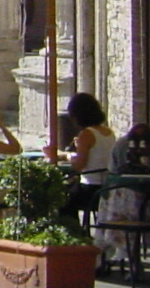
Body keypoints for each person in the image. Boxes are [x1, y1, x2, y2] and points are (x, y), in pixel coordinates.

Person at [47, 91, 116, 222]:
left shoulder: (86, 134)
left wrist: (67, 157)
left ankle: (72, 230)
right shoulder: (108, 132)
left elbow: (79, 165)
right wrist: (70, 154)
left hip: (91, 188)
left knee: (61, 197)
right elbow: (95, 155)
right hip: (106, 186)